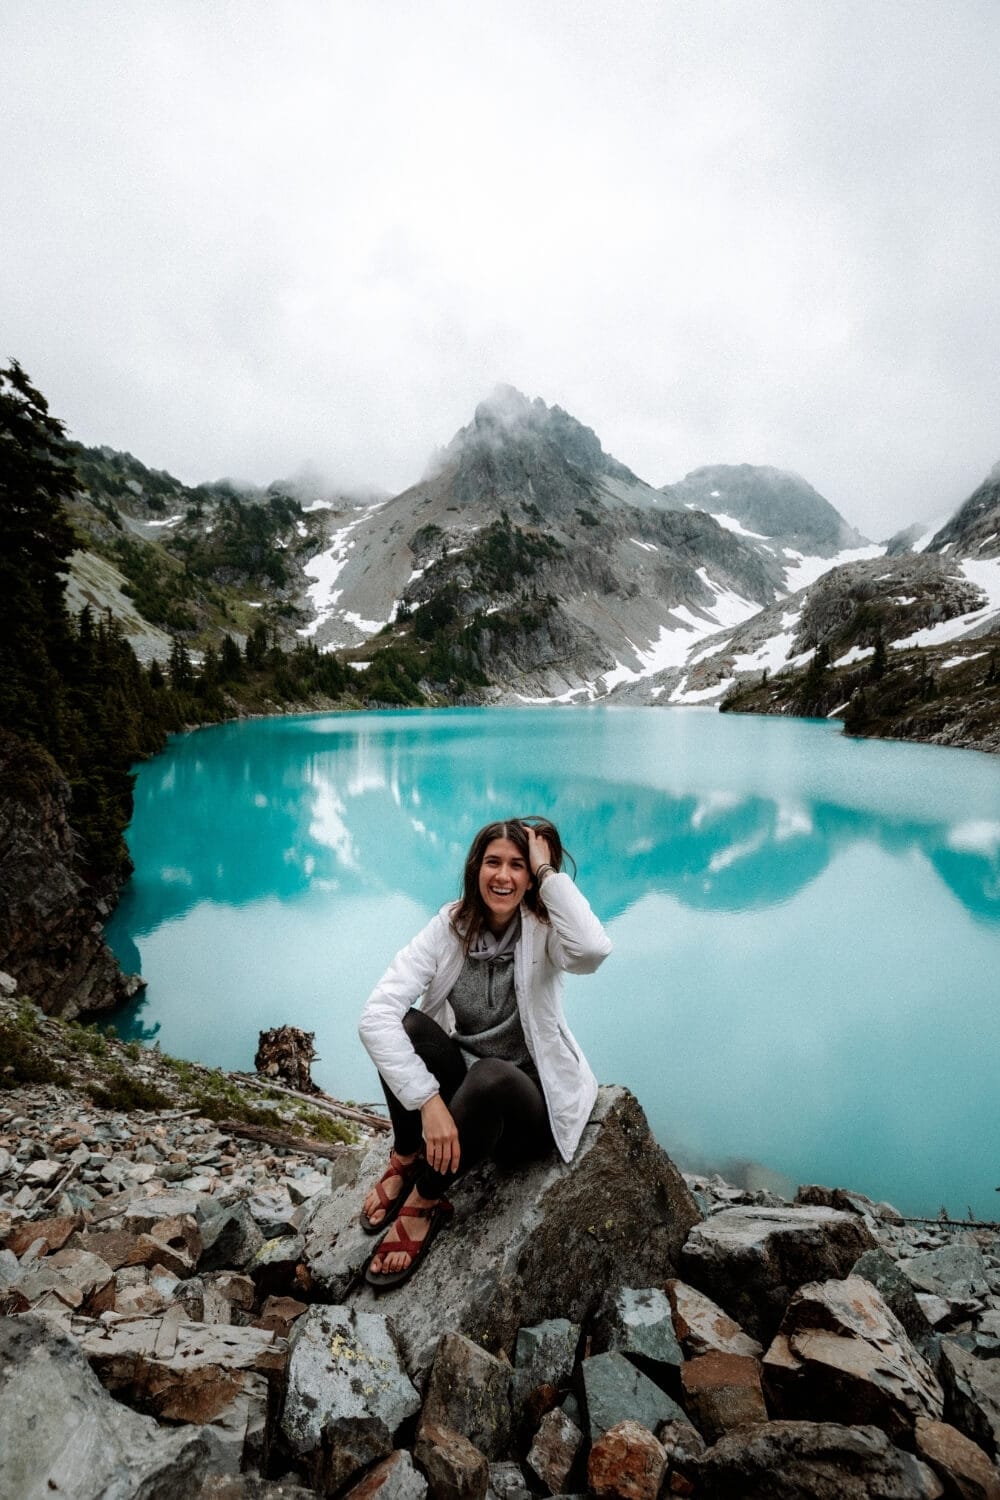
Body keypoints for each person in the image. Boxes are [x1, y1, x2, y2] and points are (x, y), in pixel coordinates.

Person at [357, 816, 611, 1288]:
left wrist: (548, 875)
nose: (504, 876)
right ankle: (407, 1156)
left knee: (491, 1075)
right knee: (408, 1027)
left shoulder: (545, 929)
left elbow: (594, 950)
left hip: (522, 1105)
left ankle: (425, 1201)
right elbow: (375, 1016)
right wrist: (428, 1102)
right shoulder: (448, 927)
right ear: (476, 868)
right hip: (462, 1094)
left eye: (518, 866)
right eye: (493, 862)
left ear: (530, 875)